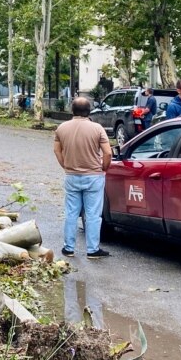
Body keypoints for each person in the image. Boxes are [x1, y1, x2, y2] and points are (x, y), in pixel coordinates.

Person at [54, 97, 113, 259]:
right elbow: (108, 153)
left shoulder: (62, 128)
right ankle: (92, 249)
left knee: (71, 213)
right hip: (93, 176)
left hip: (72, 176)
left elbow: (57, 150)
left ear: (72, 110)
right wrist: (104, 167)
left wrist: (65, 165)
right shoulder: (97, 128)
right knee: (93, 214)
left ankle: (68, 248)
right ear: (89, 111)